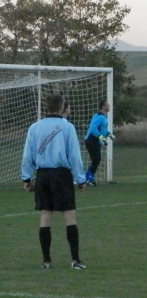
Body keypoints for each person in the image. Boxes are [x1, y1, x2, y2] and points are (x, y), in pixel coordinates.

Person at [21, 93, 87, 269]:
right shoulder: (67, 127)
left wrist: (27, 178)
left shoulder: (35, 127)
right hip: (61, 175)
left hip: (42, 175)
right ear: (61, 107)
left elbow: (27, 155)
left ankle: (46, 261)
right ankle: (75, 260)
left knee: (45, 215)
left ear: (47, 107)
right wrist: (81, 179)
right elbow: (74, 156)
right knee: (69, 215)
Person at [84, 99, 115, 186]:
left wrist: (109, 135)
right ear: (103, 107)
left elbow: (103, 130)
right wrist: (101, 137)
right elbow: (93, 128)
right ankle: (89, 180)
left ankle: (87, 178)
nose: (109, 106)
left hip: (95, 140)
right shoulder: (99, 116)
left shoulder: (103, 117)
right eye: (107, 105)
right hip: (91, 140)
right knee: (96, 159)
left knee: (96, 159)